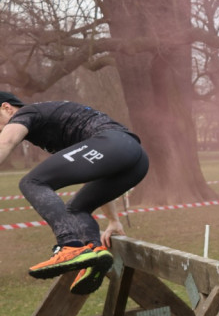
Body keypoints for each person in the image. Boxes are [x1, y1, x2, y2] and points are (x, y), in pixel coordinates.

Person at [0, 91, 149, 294]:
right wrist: (113, 220)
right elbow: (99, 176)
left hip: (114, 144)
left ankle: (69, 245)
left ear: (6, 108)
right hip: (135, 160)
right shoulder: (48, 127)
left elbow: (6, 142)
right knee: (76, 208)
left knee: (32, 182)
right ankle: (94, 255)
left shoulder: (27, 113)